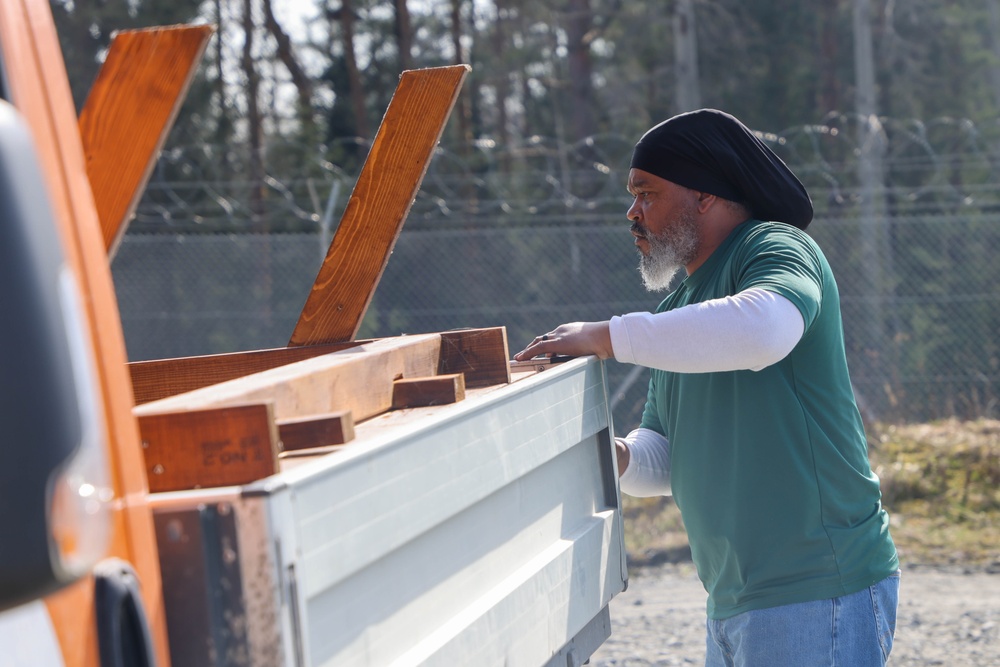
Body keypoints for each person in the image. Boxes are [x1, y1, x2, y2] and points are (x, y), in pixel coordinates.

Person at [514, 109, 900, 667]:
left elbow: (765, 330)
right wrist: (610, 455)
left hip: (818, 588)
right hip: (735, 599)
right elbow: (666, 456)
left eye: (647, 193)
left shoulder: (775, 247)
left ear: (704, 195)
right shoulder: (679, 311)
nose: (632, 213)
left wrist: (605, 336)